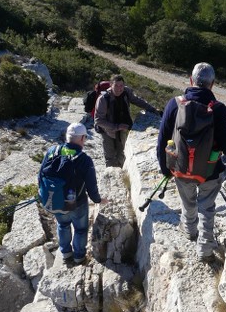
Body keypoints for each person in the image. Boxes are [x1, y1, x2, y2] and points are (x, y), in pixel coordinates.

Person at [157, 62, 226, 262]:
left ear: (191, 80)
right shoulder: (217, 109)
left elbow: (162, 139)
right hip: (209, 172)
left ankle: (190, 230)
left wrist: (165, 169)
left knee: (188, 203)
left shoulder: (174, 104)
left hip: (180, 169)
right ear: (212, 84)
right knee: (207, 209)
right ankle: (204, 250)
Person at [41, 122, 108, 265]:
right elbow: (91, 186)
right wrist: (97, 200)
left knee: (62, 225)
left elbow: (41, 175)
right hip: (77, 202)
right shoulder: (84, 160)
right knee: (81, 229)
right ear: (82, 138)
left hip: (56, 200)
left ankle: (65, 253)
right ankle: (78, 256)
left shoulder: (52, 151)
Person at [94, 74, 162, 168]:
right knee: (110, 156)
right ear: (111, 85)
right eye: (116, 86)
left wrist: (152, 109)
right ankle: (112, 176)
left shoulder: (126, 92)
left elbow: (137, 100)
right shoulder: (103, 99)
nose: (119, 88)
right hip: (107, 131)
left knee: (122, 153)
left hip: (123, 128)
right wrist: (117, 126)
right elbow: (98, 120)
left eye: (121, 85)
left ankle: (122, 173)